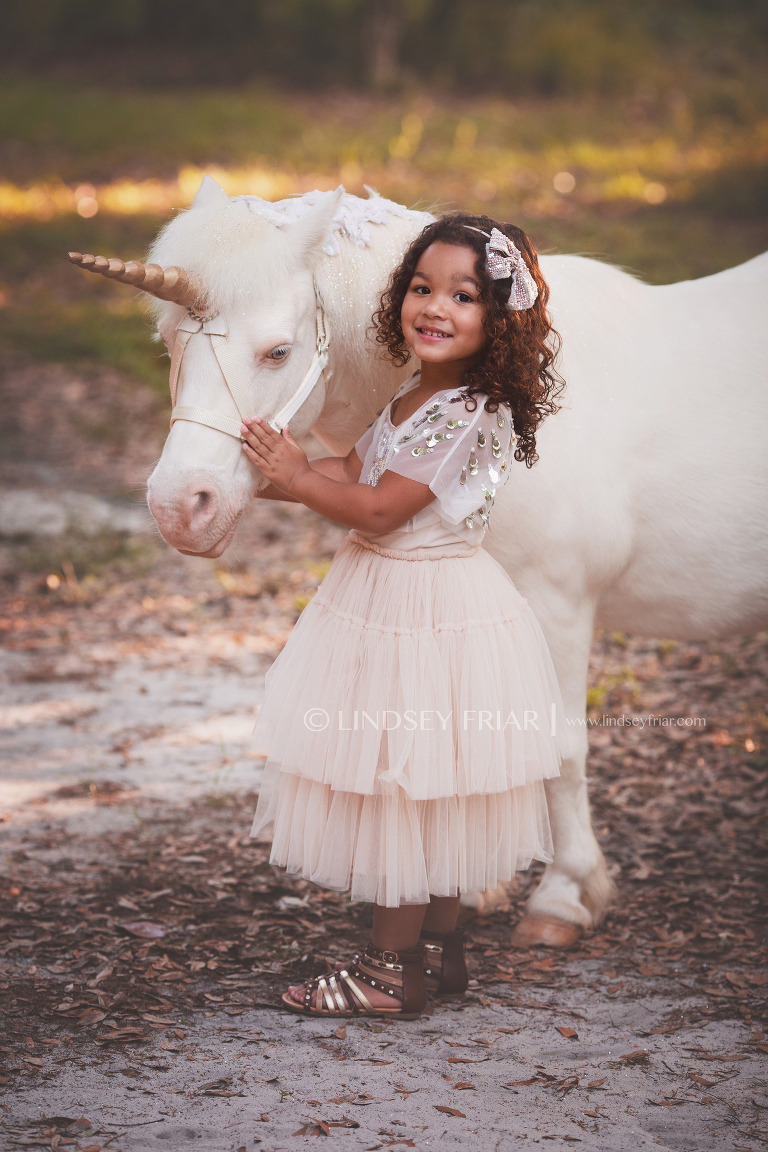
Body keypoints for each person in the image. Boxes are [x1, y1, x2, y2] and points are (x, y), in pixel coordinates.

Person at [239, 213, 570, 1019]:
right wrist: (280, 473)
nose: (435, 306)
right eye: (423, 287)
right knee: (433, 785)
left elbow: (380, 508)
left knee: (408, 787)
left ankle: (391, 970)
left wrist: (304, 480)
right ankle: (438, 954)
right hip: (395, 599)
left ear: (500, 322)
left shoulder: (469, 409)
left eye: (463, 295)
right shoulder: (420, 390)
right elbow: (354, 468)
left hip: (425, 611)